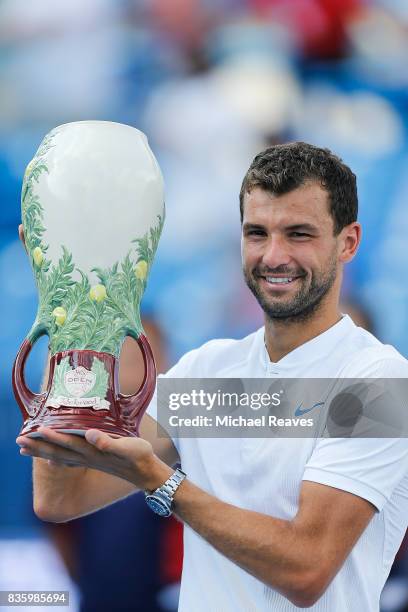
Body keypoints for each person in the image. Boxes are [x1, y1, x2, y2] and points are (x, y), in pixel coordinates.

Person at [17, 142, 408, 611]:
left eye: (299, 234)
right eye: (257, 233)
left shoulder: (378, 380)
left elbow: (306, 570)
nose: (274, 255)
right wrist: (69, 303)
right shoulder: (208, 371)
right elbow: (60, 499)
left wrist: (161, 482)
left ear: (348, 242)